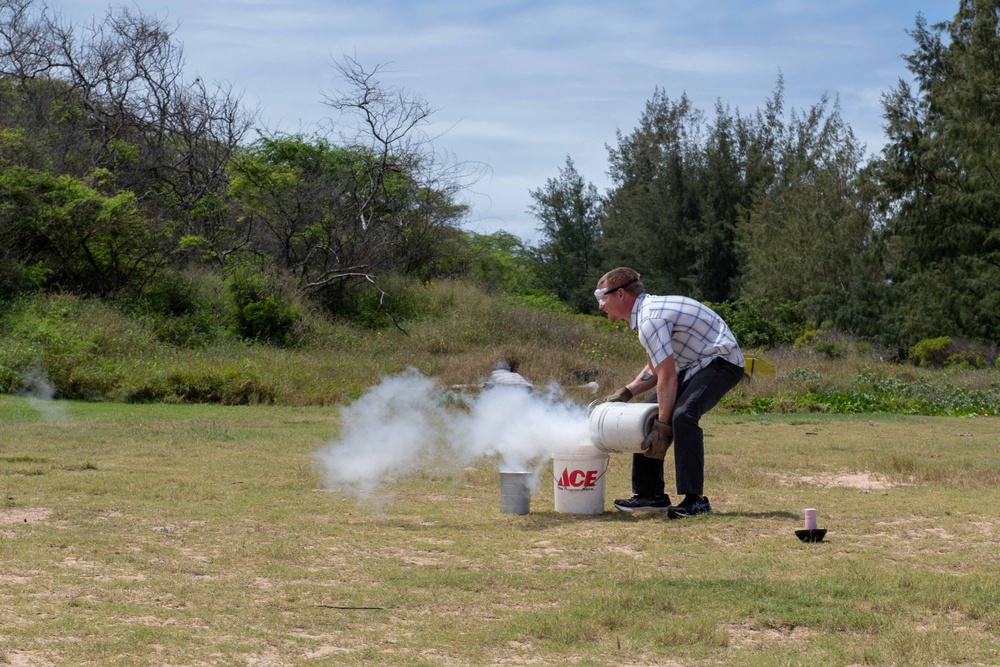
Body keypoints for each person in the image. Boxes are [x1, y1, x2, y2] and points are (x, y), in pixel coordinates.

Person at [596, 267, 745, 517]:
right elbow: (655, 369)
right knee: (646, 415)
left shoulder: (650, 319)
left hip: (722, 362)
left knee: (682, 416)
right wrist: (626, 393)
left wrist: (663, 429)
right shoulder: (646, 315)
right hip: (695, 365)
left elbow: (667, 376)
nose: (601, 306)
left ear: (620, 294)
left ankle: (695, 500)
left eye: (603, 297)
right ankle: (650, 495)